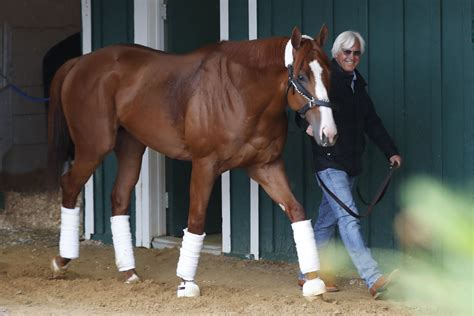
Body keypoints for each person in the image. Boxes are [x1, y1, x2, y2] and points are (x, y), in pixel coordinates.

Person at [295, 30, 402, 299]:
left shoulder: (358, 85)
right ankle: (373, 277)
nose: (351, 57)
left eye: (356, 53)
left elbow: (372, 123)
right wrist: (306, 125)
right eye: (347, 52)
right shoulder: (328, 81)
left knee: (326, 222)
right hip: (329, 162)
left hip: (351, 164)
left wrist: (391, 151)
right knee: (349, 217)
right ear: (336, 54)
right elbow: (302, 109)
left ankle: (306, 273)